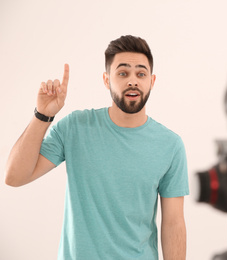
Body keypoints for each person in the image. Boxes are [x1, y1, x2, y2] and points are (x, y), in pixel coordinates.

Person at [5, 35, 189, 260]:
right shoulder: (75, 127)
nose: (133, 81)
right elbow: (14, 177)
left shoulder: (170, 145)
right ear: (106, 79)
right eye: (122, 73)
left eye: (141, 73)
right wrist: (43, 114)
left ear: (152, 81)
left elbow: (173, 223)